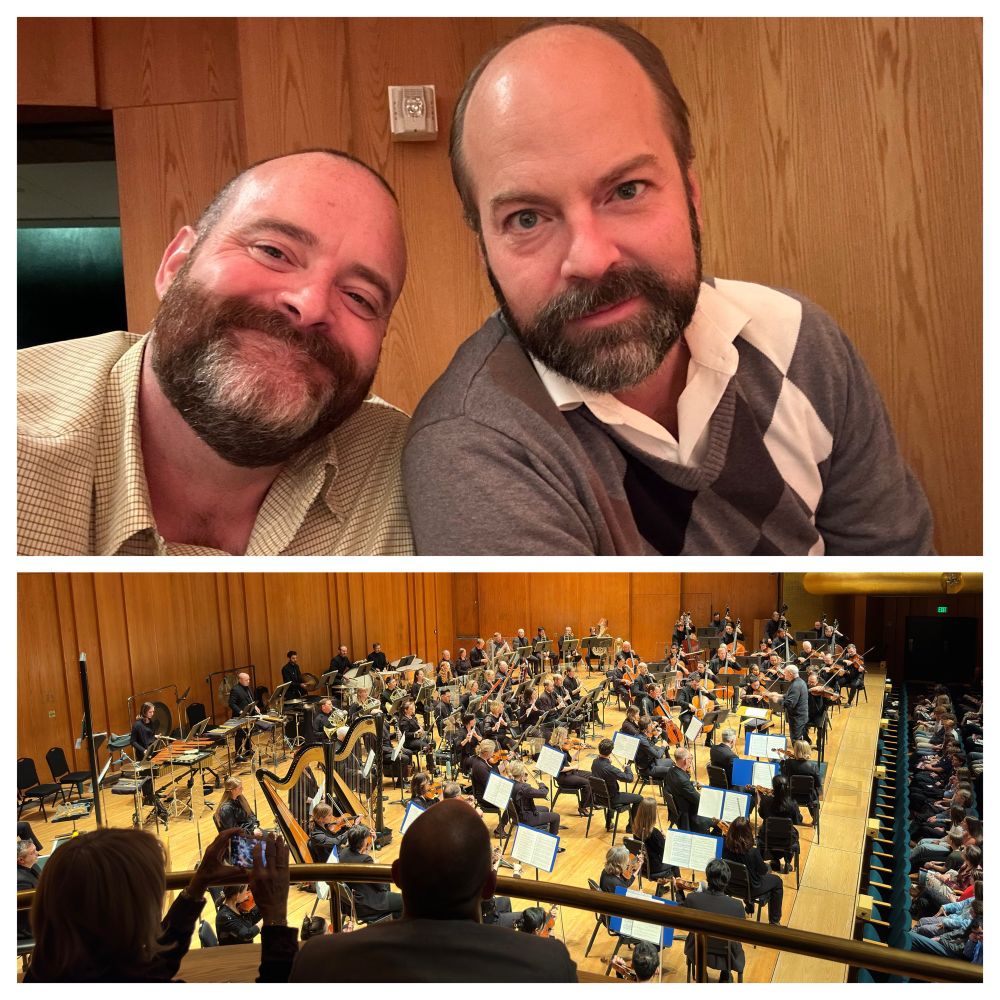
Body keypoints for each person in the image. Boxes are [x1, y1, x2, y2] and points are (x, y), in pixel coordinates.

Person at [403, 18, 932, 556]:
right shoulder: (478, 446)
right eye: (527, 219)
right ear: (485, 252)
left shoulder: (799, 343)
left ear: (691, 196)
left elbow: (898, 568)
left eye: (626, 190)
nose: (590, 260)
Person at [19, 149, 410, 557]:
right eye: (273, 251)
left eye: (359, 297)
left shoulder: (408, 471)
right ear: (175, 265)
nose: (310, 306)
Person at [290, 799, 577, 981]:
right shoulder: (550, 963)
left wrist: (275, 915)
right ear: (489, 886)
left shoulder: (318, 959)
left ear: (397, 876)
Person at [25, 826, 294, 982]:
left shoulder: (44, 970)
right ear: (133, 913)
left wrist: (197, 885)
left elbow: (152, 967)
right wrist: (276, 918)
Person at [679, 858, 747, 981]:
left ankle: (701, 972)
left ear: (707, 878)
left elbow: (681, 918)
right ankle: (726, 973)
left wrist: (679, 891)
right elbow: (740, 934)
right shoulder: (737, 906)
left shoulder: (692, 898)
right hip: (728, 956)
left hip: (697, 950)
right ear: (727, 880)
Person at [722, 816, 784, 925]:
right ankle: (774, 921)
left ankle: (749, 904)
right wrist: (768, 867)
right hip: (751, 889)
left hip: (731, 886)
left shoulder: (725, 847)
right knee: (777, 881)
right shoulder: (753, 852)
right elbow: (762, 871)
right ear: (747, 833)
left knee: (745, 874)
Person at [337, 823, 403, 923]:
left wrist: (370, 844)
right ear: (363, 841)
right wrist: (376, 867)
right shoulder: (365, 860)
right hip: (366, 905)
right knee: (404, 901)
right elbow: (380, 886)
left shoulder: (343, 852)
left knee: (388, 890)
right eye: (366, 839)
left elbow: (360, 857)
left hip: (352, 902)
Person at [591, 738, 643, 832]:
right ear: (611, 751)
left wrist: (608, 761)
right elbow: (629, 778)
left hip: (598, 797)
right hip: (612, 799)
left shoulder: (595, 762)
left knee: (608, 790)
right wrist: (627, 768)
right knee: (639, 798)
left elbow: (603, 769)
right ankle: (630, 827)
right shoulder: (610, 769)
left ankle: (608, 823)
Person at [630, 797, 681, 890]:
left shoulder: (636, 829)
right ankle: (678, 883)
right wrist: (666, 839)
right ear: (652, 815)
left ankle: (664, 887)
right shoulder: (655, 833)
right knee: (674, 859)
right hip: (655, 868)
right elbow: (666, 853)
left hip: (643, 866)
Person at [662, 746, 716, 834]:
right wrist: (709, 793)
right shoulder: (683, 781)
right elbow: (699, 801)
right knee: (719, 819)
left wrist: (693, 783)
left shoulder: (671, 771)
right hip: (689, 814)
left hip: (678, 809)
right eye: (690, 758)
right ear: (685, 761)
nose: (691, 760)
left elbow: (680, 785)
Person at [756, 775, 802, 872]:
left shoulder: (766, 800)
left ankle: (775, 860)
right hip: (787, 839)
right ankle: (787, 861)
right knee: (788, 835)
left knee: (771, 834)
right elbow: (797, 820)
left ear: (773, 787)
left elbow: (762, 814)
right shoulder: (792, 804)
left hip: (767, 837)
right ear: (787, 787)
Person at [545, 725, 594, 815]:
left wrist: (579, 750)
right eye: (565, 736)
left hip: (570, 773)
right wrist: (573, 767)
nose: (567, 738)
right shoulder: (555, 749)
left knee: (592, 776)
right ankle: (583, 807)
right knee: (586, 783)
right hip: (563, 777)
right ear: (559, 737)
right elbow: (559, 769)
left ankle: (590, 803)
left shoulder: (562, 747)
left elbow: (570, 760)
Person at [507, 760, 562, 839]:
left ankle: (543, 831)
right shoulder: (524, 788)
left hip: (518, 815)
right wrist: (541, 783)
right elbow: (543, 793)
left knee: (545, 809)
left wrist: (523, 781)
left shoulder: (510, 783)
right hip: (526, 818)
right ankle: (551, 840)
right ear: (522, 773)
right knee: (556, 817)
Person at [780, 739, 822, 825]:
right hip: (809, 797)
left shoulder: (788, 764)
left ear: (796, 750)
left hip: (792, 796)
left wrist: (782, 762)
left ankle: (796, 817)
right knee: (815, 791)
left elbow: (784, 777)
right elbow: (818, 784)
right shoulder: (813, 767)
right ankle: (815, 817)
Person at [768, 665, 809, 741]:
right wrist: (779, 695)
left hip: (797, 718)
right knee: (801, 740)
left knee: (796, 740)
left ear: (790, 674)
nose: (784, 674)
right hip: (801, 716)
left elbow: (790, 704)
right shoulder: (800, 682)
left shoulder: (796, 685)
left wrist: (777, 700)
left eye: (785, 672)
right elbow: (791, 695)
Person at [17, 839, 41, 944]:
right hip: (28, 929)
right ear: (21, 860)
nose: (37, 853)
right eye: (33, 852)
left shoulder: (32, 865)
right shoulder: (20, 882)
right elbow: (27, 915)